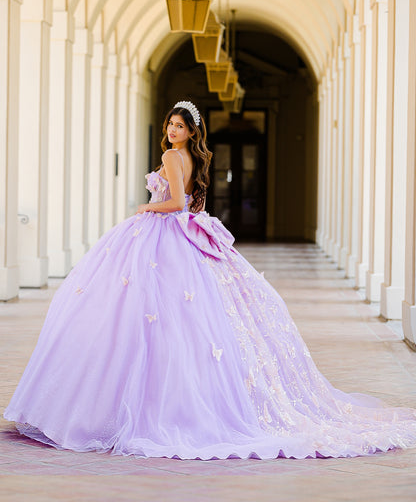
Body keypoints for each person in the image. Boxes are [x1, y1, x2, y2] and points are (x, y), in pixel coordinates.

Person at [4, 101, 416, 460]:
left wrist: (145, 207)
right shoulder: (196, 159)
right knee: (179, 315)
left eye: (180, 126)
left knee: (143, 309)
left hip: (162, 232)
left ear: (190, 131)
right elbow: (193, 204)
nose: (172, 131)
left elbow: (177, 203)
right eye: (170, 124)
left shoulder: (170, 157)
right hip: (182, 234)